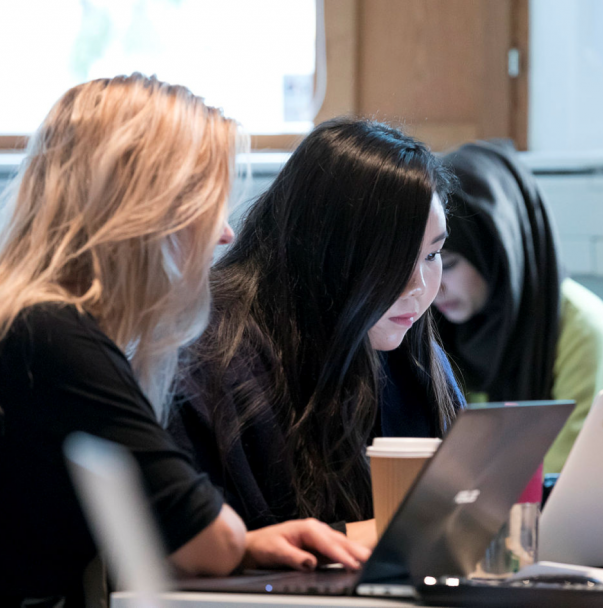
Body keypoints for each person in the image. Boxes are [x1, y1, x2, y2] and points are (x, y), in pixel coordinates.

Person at [0, 75, 367, 608]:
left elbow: (167, 537)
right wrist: (233, 542)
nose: (226, 234)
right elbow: (210, 542)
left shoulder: (15, 320)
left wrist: (246, 545)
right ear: (150, 210)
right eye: (209, 203)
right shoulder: (52, 338)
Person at [170, 118, 464, 547]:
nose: (418, 288)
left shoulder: (407, 350)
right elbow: (213, 553)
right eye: (391, 262)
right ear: (323, 253)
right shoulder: (215, 358)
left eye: (433, 254)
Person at [432, 140, 603, 474]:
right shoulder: (441, 324)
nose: (434, 286)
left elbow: (564, 474)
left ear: (497, 251)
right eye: (427, 261)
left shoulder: (583, 328)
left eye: (448, 263)